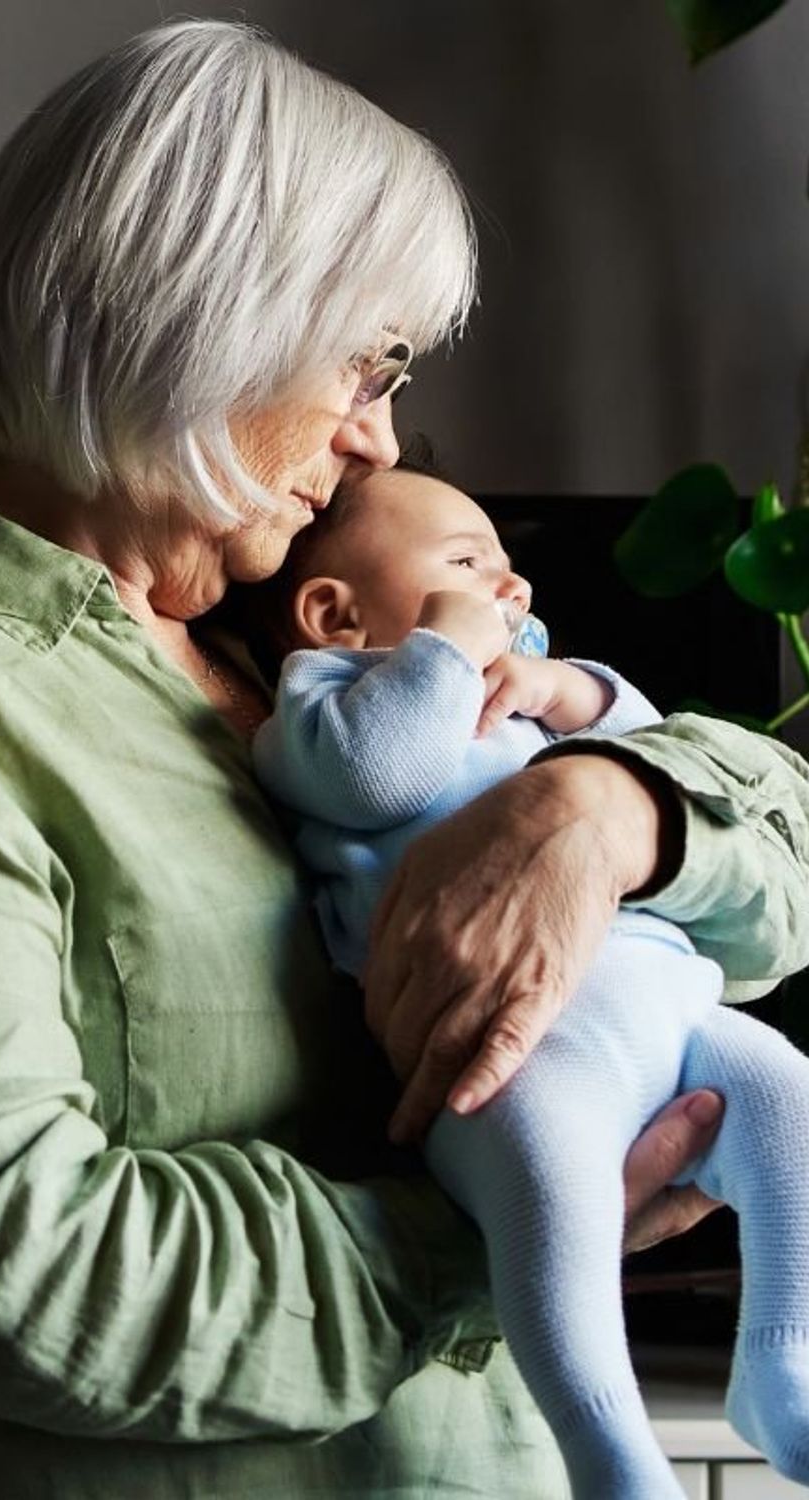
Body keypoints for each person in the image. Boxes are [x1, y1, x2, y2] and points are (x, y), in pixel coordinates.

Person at [0, 21, 809, 1496]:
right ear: (205, 319)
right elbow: (9, 1268)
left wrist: (606, 808)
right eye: (364, 368)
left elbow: (783, 868)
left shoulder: (298, 648)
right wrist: (504, 1231)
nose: (379, 444)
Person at [249, 460, 809, 1495]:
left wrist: (567, 692)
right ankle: (610, 1453)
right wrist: (444, 651)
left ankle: (780, 1361)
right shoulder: (320, 705)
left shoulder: (520, 704)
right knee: (557, 1210)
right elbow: (382, 777)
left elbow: (655, 757)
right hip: (507, 1061)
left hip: (661, 1000)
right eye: (466, 564)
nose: (508, 587)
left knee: (790, 1100)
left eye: (508, 569)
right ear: (333, 614)